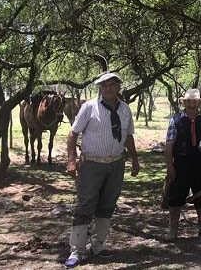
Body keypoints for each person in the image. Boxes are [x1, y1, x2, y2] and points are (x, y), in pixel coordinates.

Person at [64, 72, 140, 268]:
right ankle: (77, 250)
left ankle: (98, 245)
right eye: (104, 85)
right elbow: (73, 134)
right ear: (99, 88)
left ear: (118, 87)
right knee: (86, 204)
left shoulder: (125, 109)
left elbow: (128, 136)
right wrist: (71, 160)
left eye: (112, 85)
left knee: (107, 205)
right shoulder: (89, 107)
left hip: (116, 163)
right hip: (92, 164)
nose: (108, 88)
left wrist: (134, 159)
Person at [165, 88, 201, 240]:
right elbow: (169, 144)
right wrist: (170, 166)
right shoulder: (176, 120)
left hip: (199, 163)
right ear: (184, 103)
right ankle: (172, 230)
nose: (191, 104)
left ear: (199, 103)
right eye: (188, 101)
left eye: (194, 101)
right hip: (180, 163)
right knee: (175, 198)